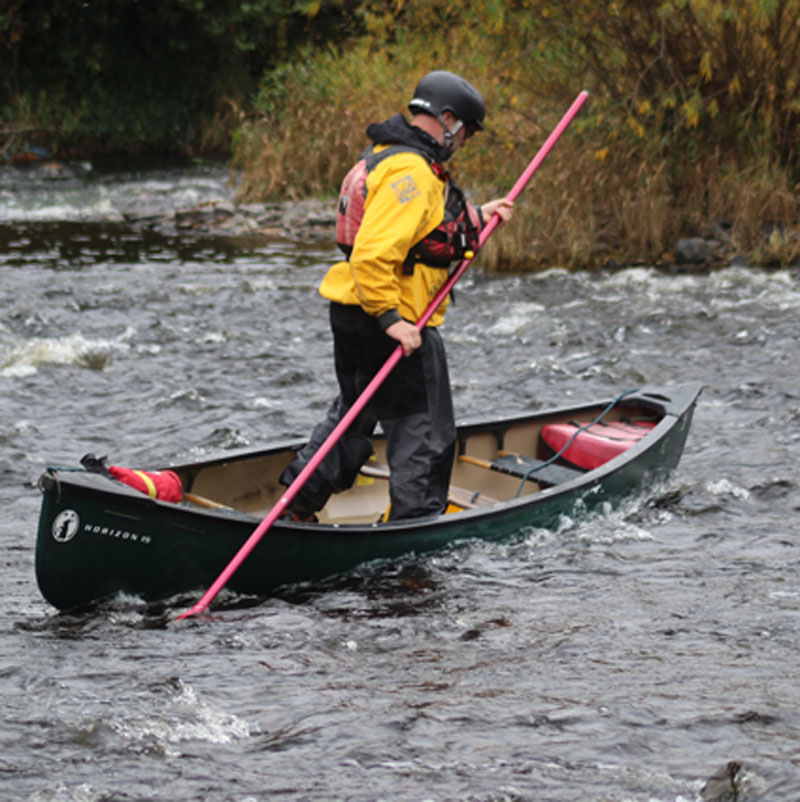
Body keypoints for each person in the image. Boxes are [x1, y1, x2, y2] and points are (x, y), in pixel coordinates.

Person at [279, 70, 514, 522]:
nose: (463, 141)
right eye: (465, 131)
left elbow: (421, 234)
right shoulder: (412, 171)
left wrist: (480, 216)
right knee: (424, 432)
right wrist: (392, 320)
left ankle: (298, 507)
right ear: (446, 119)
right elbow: (373, 253)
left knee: (352, 416)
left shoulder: (387, 156)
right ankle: (415, 534)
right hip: (394, 318)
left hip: (351, 311)